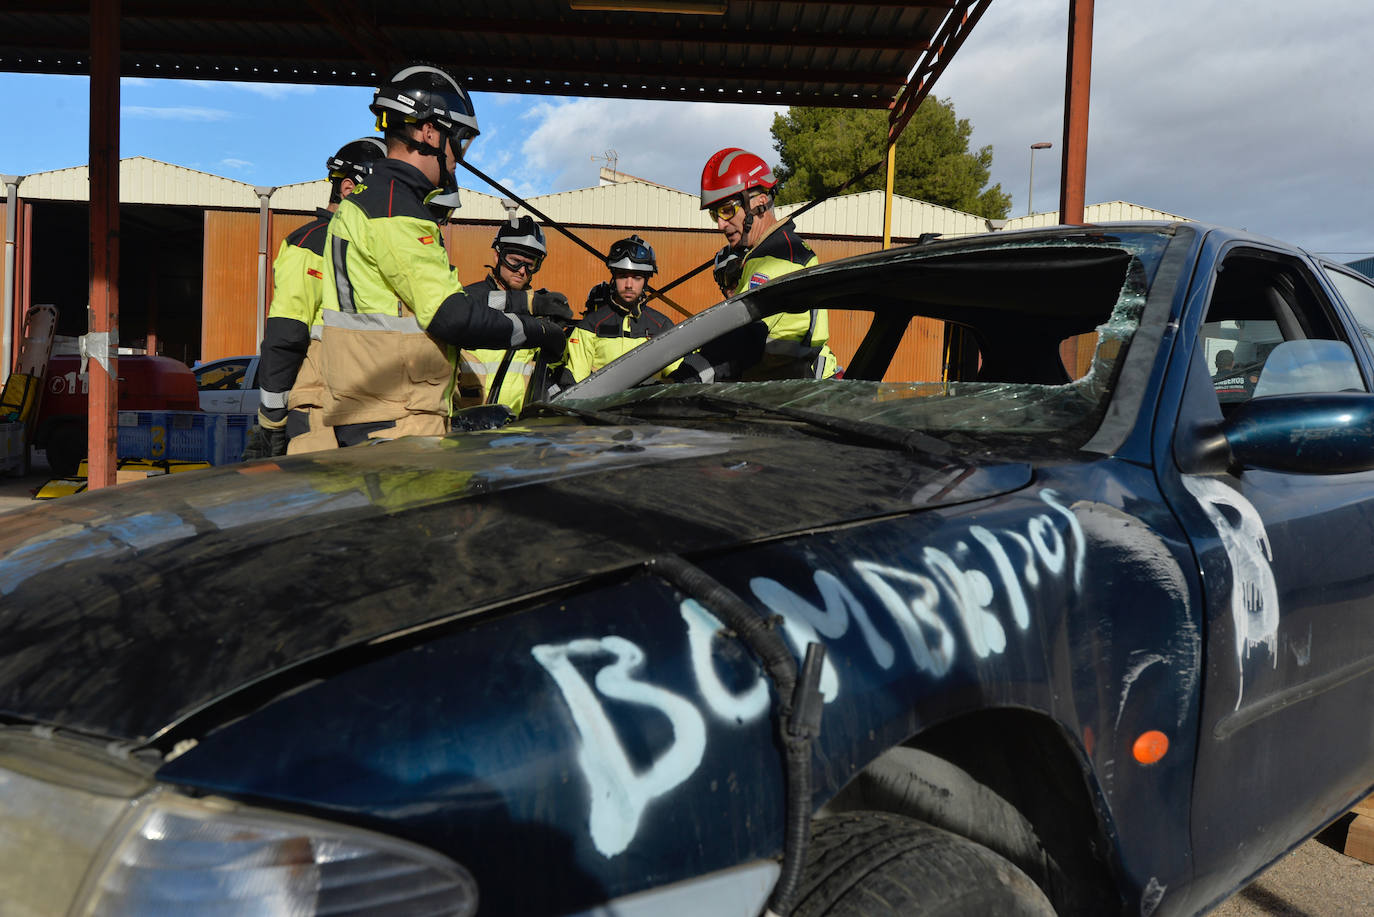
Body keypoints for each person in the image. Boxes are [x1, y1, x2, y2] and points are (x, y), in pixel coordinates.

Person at [313, 64, 566, 447]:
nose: (457, 157)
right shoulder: (396, 210)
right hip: (398, 417)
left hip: (367, 408)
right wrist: (538, 331)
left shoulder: (366, 200)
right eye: (459, 140)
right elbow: (452, 315)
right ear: (430, 132)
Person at [241, 137, 385, 459]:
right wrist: (272, 421)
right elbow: (286, 335)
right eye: (380, 194)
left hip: (365, 409)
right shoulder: (311, 244)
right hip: (317, 413)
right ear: (348, 188)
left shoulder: (372, 247)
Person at [672, 147, 837, 383]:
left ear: (760, 202)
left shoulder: (780, 260)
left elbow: (739, 342)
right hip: (773, 391)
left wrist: (680, 382)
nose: (720, 225)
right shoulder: (761, 256)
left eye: (727, 210)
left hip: (782, 396)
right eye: (715, 214)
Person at [455, 215, 572, 413]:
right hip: (467, 421)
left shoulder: (541, 314)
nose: (522, 271)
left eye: (530, 264)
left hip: (519, 424)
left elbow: (550, 374)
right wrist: (529, 302)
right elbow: (471, 304)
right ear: (497, 256)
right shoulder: (468, 297)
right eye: (515, 261)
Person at [561, 235, 677, 384]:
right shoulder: (589, 326)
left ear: (646, 280)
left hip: (649, 400)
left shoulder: (662, 326)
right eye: (622, 276)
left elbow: (678, 376)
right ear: (614, 277)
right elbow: (575, 384)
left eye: (637, 277)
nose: (629, 285)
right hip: (599, 400)